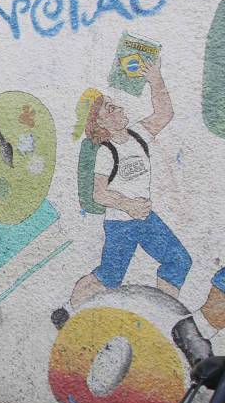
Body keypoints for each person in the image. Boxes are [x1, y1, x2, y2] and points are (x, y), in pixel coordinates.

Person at [51, 58, 189, 330]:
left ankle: (162, 317)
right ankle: (67, 311)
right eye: (109, 109)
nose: (117, 109)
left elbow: (164, 114)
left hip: (145, 219)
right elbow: (99, 194)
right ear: (101, 122)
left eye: (115, 104)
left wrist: (156, 79)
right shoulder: (106, 151)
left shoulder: (138, 134)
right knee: (109, 277)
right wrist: (127, 205)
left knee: (178, 259)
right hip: (121, 225)